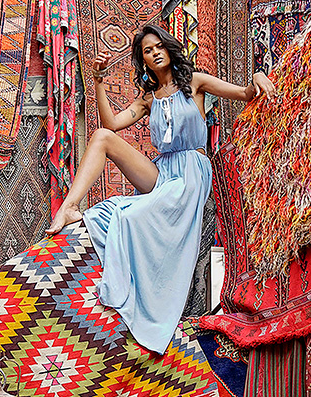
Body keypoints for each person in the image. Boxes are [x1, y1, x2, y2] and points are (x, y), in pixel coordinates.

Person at [47, 25, 275, 354]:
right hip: (163, 170)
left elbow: (244, 94)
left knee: (133, 214)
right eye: (146, 53)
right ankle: (69, 205)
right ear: (144, 63)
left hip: (191, 173)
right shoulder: (148, 97)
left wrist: (256, 75)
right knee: (101, 138)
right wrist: (97, 81)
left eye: (158, 47)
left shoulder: (195, 82)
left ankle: (147, 299)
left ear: (168, 49)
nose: (154, 54)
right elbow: (111, 124)